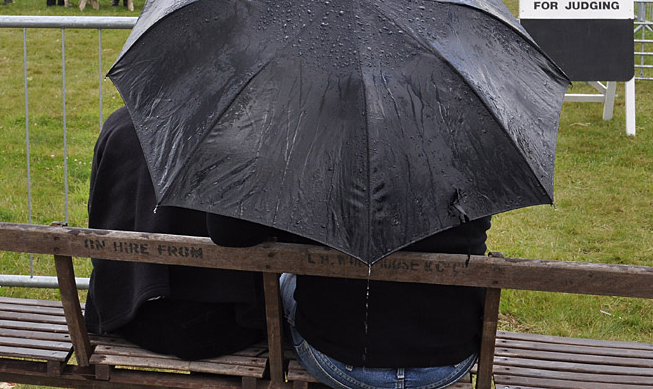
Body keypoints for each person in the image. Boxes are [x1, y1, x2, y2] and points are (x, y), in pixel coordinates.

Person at [207, 214, 490, 389]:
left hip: (336, 361)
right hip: (449, 362)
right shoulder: (465, 156)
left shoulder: (311, 150)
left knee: (285, 281)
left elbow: (226, 231)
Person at [84, 107, 265, 360]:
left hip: (129, 315)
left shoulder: (119, 125)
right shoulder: (247, 132)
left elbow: (97, 212)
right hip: (227, 326)